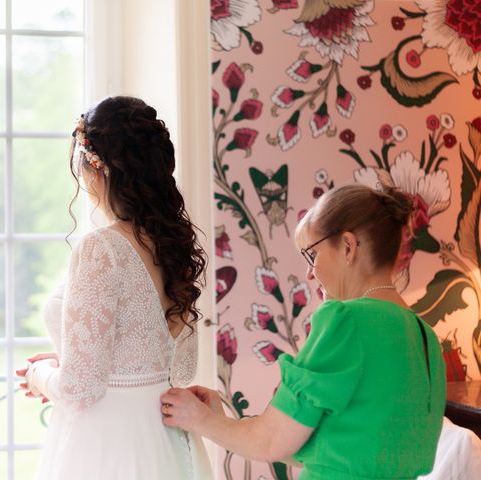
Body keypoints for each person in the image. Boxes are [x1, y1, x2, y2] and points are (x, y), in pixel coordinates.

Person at [160, 184, 447, 479]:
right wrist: (218, 421)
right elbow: (328, 446)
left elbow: (270, 441)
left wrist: (199, 420)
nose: (310, 273)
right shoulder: (426, 338)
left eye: (312, 255)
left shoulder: (346, 320)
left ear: (348, 247)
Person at [16, 96, 213, 479]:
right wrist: (67, 363)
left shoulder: (102, 248)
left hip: (107, 447)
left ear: (97, 170)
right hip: (166, 440)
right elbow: (182, 370)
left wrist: (39, 376)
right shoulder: (174, 246)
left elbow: (79, 389)